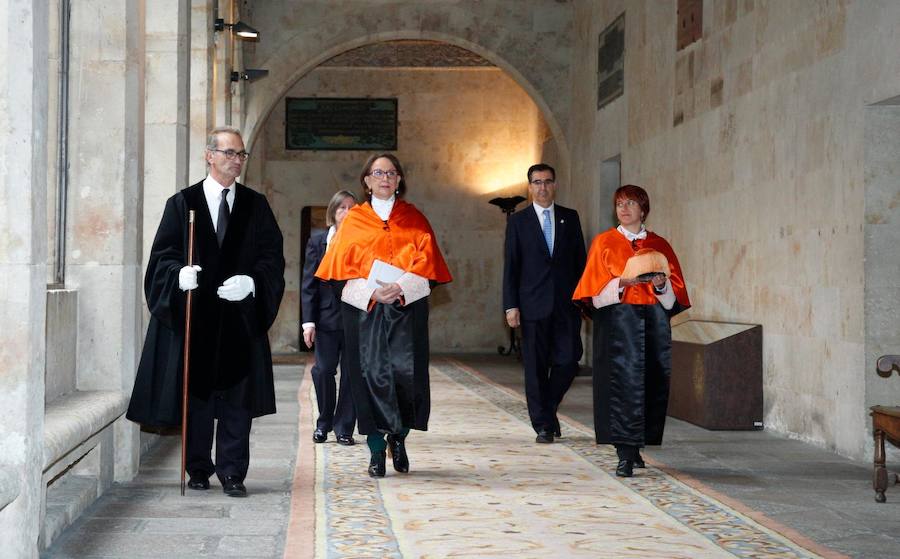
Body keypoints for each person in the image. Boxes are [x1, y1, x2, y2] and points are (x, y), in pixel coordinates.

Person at [126, 126, 285, 497]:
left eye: (241, 154)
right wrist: (176, 274)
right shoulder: (182, 204)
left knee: (236, 399)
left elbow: (271, 259)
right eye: (229, 153)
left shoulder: (255, 205)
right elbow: (161, 258)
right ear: (209, 155)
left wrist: (253, 283)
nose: (236, 161)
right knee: (195, 396)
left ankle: (232, 472)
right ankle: (197, 466)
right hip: (196, 319)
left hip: (239, 321)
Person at [315, 153, 452, 477]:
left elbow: (428, 267)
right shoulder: (354, 221)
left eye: (391, 173)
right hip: (365, 313)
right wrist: (373, 292)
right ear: (366, 180)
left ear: (399, 179)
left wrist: (402, 286)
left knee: (407, 377)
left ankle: (399, 439)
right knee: (367, 378)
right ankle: (376, 450)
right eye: (378, 173)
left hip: (406, 311)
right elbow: (337, 276)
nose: (385, 178)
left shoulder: (415, 218)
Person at [572, 184, 690, 478]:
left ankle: (636, 447)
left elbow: (673, 299)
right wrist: (622, 284)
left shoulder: (660, 245)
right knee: (620, 388)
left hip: (653, 325)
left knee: (649, 385)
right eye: (620, 204)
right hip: (617, 325)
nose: (624, 209)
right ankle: (624, 453)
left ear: (643, 209)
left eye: (631, 204)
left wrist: (661, 284)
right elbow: (593, 295)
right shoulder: (604, 243)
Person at [502, 163, 586, 444]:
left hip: (567, 304)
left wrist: (585, 300)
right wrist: (510, 305)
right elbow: (511, 266)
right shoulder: (518, 222)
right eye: (537, 182)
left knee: (569, 359)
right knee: (536, 367)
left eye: (547, 182)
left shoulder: (570, 218)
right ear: (529, 187)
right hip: (532, 305)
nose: (542, 187)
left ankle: (547, 409)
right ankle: (544, 425)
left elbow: (580, 263)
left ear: (555, 185)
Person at [301, 190, 359, 446]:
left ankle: (344, 427)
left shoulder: (364, 241)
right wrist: (308, 322)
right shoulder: (318, 241)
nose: (346, 212)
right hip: (326, 319)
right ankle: (323, 422)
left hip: (357, 317)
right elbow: (308, 284)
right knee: (323, 370)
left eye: (351, 208)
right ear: (333, 213)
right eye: (341, 208)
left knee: (351, 374)